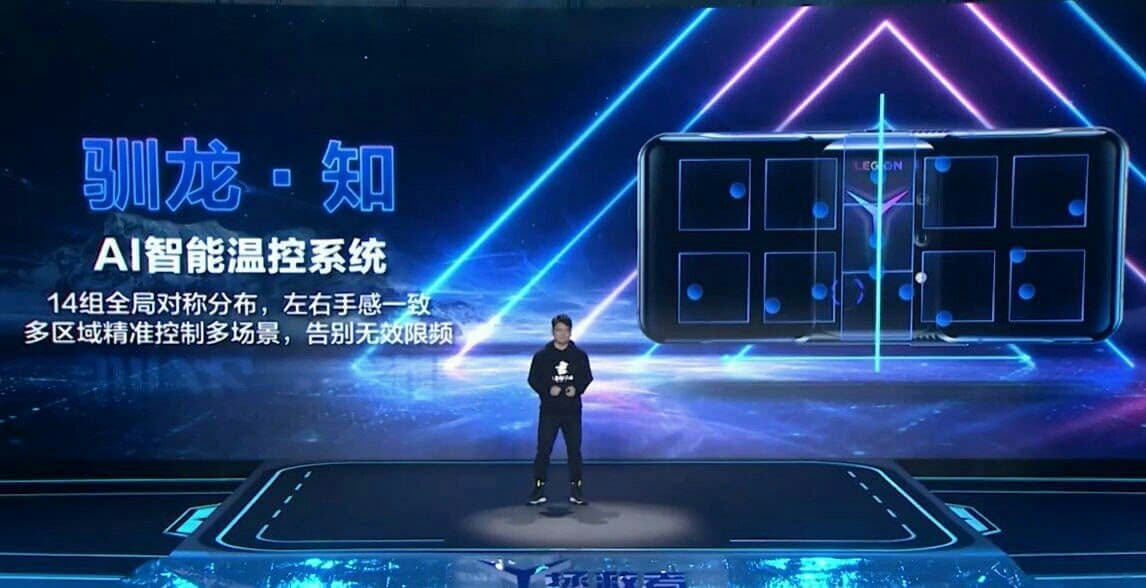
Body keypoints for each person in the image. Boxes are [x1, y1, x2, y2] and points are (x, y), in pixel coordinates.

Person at [526, 313, 592, 505]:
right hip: (549, 411)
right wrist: (547, 390)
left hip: (572, 411)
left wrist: (577, 388)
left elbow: (587, 377)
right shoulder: (542, 356)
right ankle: (538, 488)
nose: (562, 334)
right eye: (558, 330)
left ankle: (576, 489)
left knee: (574, 451)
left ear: (570, 332)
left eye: (566, 330)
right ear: (553, 332)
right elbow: (532, 379)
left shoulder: (579, 356)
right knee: (543, 451)